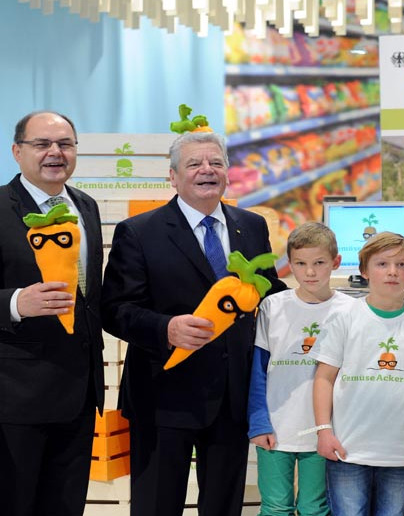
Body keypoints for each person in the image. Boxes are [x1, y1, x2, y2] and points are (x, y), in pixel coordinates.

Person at [101, 131, 285, 516]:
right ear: (172, 176)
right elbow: (116, 309)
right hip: (163, 394)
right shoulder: (138, 231)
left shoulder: (251, 227)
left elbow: (269, 293)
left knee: (223, 505)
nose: (207, 170)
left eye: (216, 163)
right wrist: (166, 329)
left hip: (232, 397)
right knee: (156, 504)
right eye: (194, 164)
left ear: (228, 173)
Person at [0, 111, 104, 516]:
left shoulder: (86, 206)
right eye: (42, 144)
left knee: (65, 506)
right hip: (16, 398)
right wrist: (14, 303)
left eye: (65, 144)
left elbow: (90, 298)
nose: (55, 153)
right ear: (17, 151)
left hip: (79, 395)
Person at [310, 232, 404, 516]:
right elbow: (324, 378)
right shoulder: (344, 318)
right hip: (346, 449)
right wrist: (324, 431)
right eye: (382, 264)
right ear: (364, 270)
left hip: (401, 452)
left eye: (401, 265)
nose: (392, 272)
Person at [247, 222, 353, 516]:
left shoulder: (351, 310)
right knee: (275, 506)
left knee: (314, 507)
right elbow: (257, 370)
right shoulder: (272, 307)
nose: (309, 272)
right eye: (301, 264)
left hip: (326, 431)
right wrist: (258, 422)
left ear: (335, 262)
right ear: (289, 264)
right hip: (276, 428)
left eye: (319, 263)